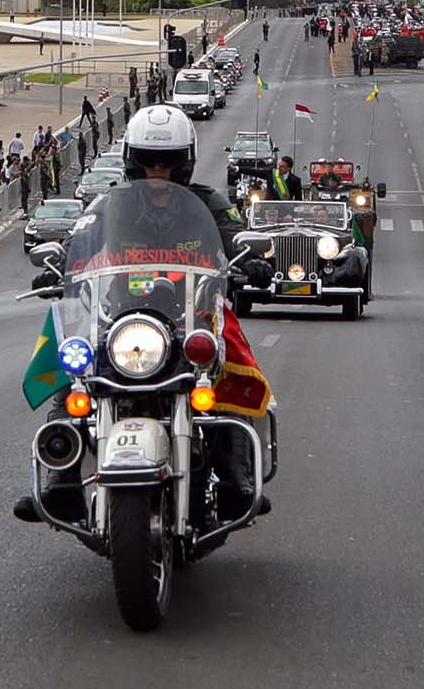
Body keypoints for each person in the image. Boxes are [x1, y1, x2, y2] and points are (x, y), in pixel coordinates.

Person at [15, 103, 265, 524]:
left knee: (224, 366)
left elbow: (234, 235)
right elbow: (82, 240)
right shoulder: (110, 206)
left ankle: (235, 481)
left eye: (167, 164)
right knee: (75, 370)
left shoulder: (209, 204)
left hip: (191, 319)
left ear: (184, 163)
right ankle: (60, 485)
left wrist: (251, 257)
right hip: (121, 319)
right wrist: (59, 268)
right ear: (132, 161)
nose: (158, 172)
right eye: (149, 163)